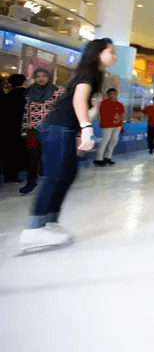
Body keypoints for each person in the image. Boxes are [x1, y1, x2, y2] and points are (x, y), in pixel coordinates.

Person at [18, 39, 116, 254]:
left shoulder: (96, 75)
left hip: (65, 129)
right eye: (111, 51)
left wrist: (82, 129)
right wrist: (87, 128)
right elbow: (78, 100)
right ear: (98, 52)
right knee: (54, 176)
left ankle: (49, 221)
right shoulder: (88, 72)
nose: (115, 56)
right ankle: (34, 229)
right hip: (57, 128)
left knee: (68, 174)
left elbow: (84, 104)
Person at [19, 68, 64, 194]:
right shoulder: (29, 91)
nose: (41, 79)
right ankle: (31, 182)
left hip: (51, 128)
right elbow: (26, 112)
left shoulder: (58, 91)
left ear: (49, 77)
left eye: (44, 76)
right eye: (38, 76)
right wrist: (24, 129)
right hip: (33, 128)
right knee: (32, 155)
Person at [1, 74, 28, 184]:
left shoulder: (7, 95)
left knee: (8, 152)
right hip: (22, 127)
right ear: (23, 81)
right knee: (18, 151)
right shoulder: (27, 94)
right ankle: (16, 175)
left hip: (7, 128)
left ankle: (8, 176)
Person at [94, 88, 124, 167]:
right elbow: (101, 114)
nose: (113, 95)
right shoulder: (104, 103)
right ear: (107, 95)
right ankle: (99, 158)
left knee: (113, 142)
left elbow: (121, 115)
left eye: (114, 93)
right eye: (111, 93)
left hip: (117, 126)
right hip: (107, 125)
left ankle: (108, 157)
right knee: (105, 141)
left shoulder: (119, 104)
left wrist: (121, 125)